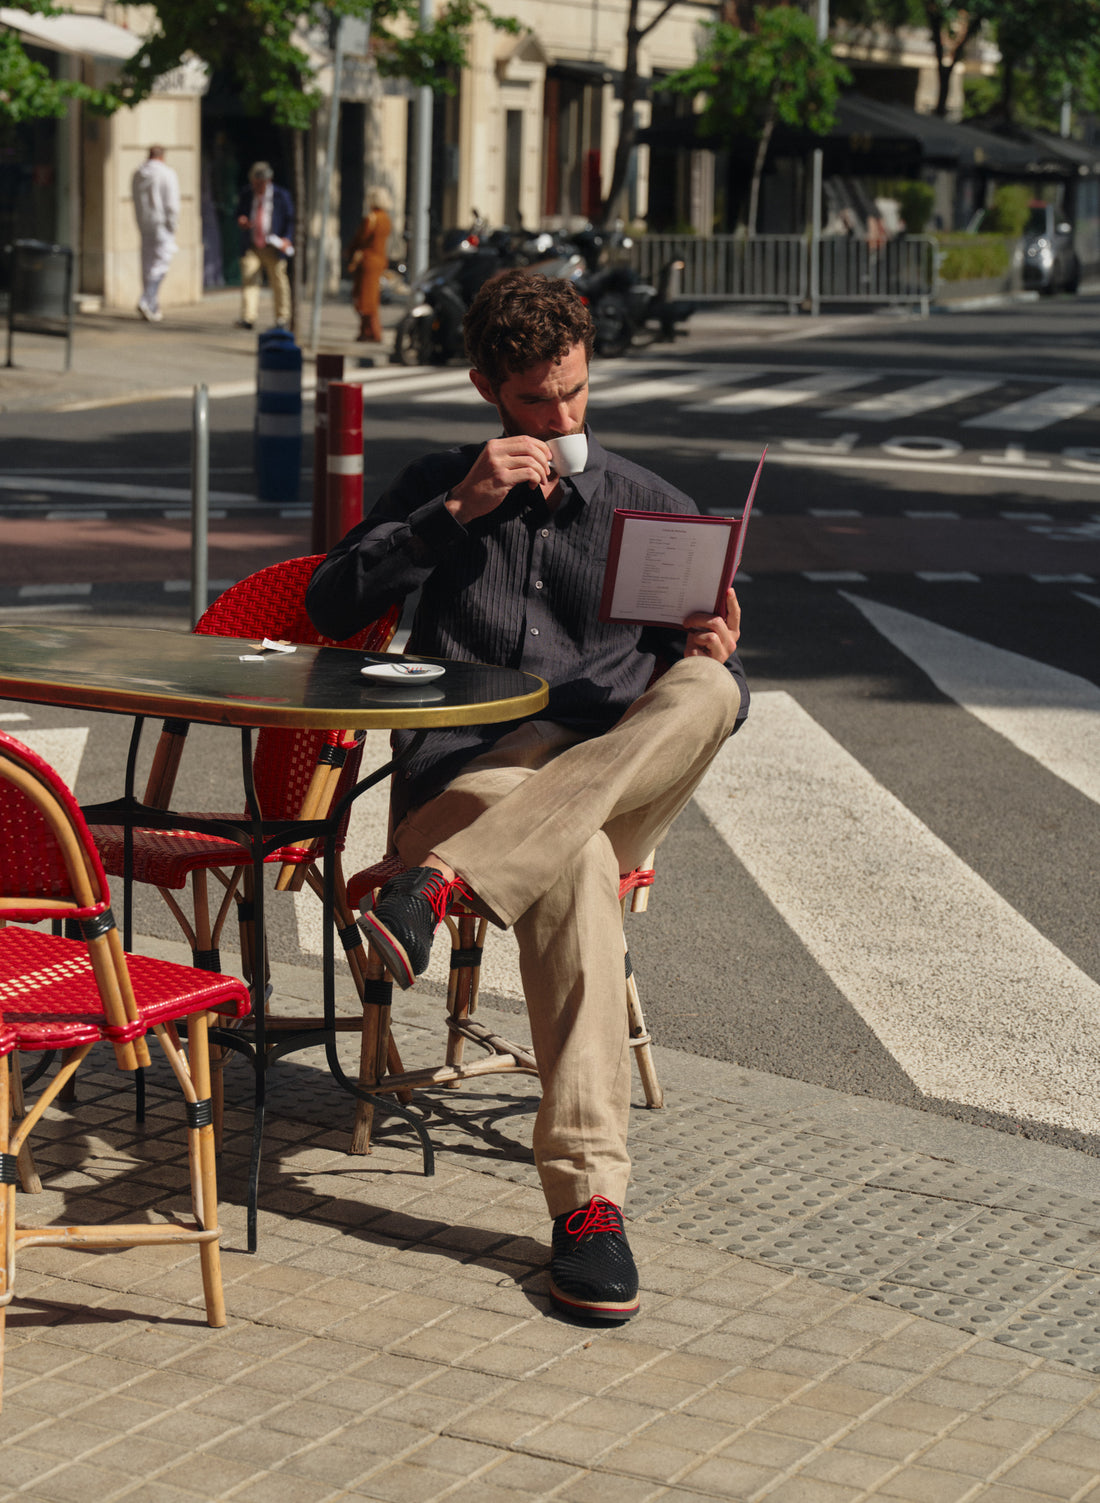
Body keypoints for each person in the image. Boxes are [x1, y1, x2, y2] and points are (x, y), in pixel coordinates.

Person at [306, 271, 748, 1323]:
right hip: (470, 776)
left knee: (710, 688)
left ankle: (432, 890)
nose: (560, 422)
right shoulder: (435, 484)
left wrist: (714, 644)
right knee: (575, 866)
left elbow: (697, 689)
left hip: (607, 776)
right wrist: (456, 509)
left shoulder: (650, 503)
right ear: (487, 390)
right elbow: (329, 605)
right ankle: (589, 1208)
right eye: (536, 404)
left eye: (576, 396)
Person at [235, 161, 294, 330]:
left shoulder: (281, 195)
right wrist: (242, 220)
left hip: (274, 246)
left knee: (278, 280)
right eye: (255, 183)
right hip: (252, 244)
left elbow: (291, 220)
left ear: (268, 181)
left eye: (261, 184)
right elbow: (239, 213)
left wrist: (287, 239)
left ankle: (282, 317)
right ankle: (248, 317)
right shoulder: (247, 193)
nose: (258, 187)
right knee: (249, 279)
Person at [132, 146, 180, 323]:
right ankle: (146, 299)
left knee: (148, 265)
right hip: (161, 225)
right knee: (161, 264)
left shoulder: (138, 173)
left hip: (145, 225)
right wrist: (172, 225)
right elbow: (172, 204)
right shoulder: (167, 174)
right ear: (162, 156)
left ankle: (152, 304)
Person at [347, 186, 392, 343]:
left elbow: (360, 239)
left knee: (365, 299)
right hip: (380, 260)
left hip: (368, 261)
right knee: (371, 298)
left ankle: (372, 332)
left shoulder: (371, 218)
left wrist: (349, 252)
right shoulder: (386, 219)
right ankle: (368, 331)